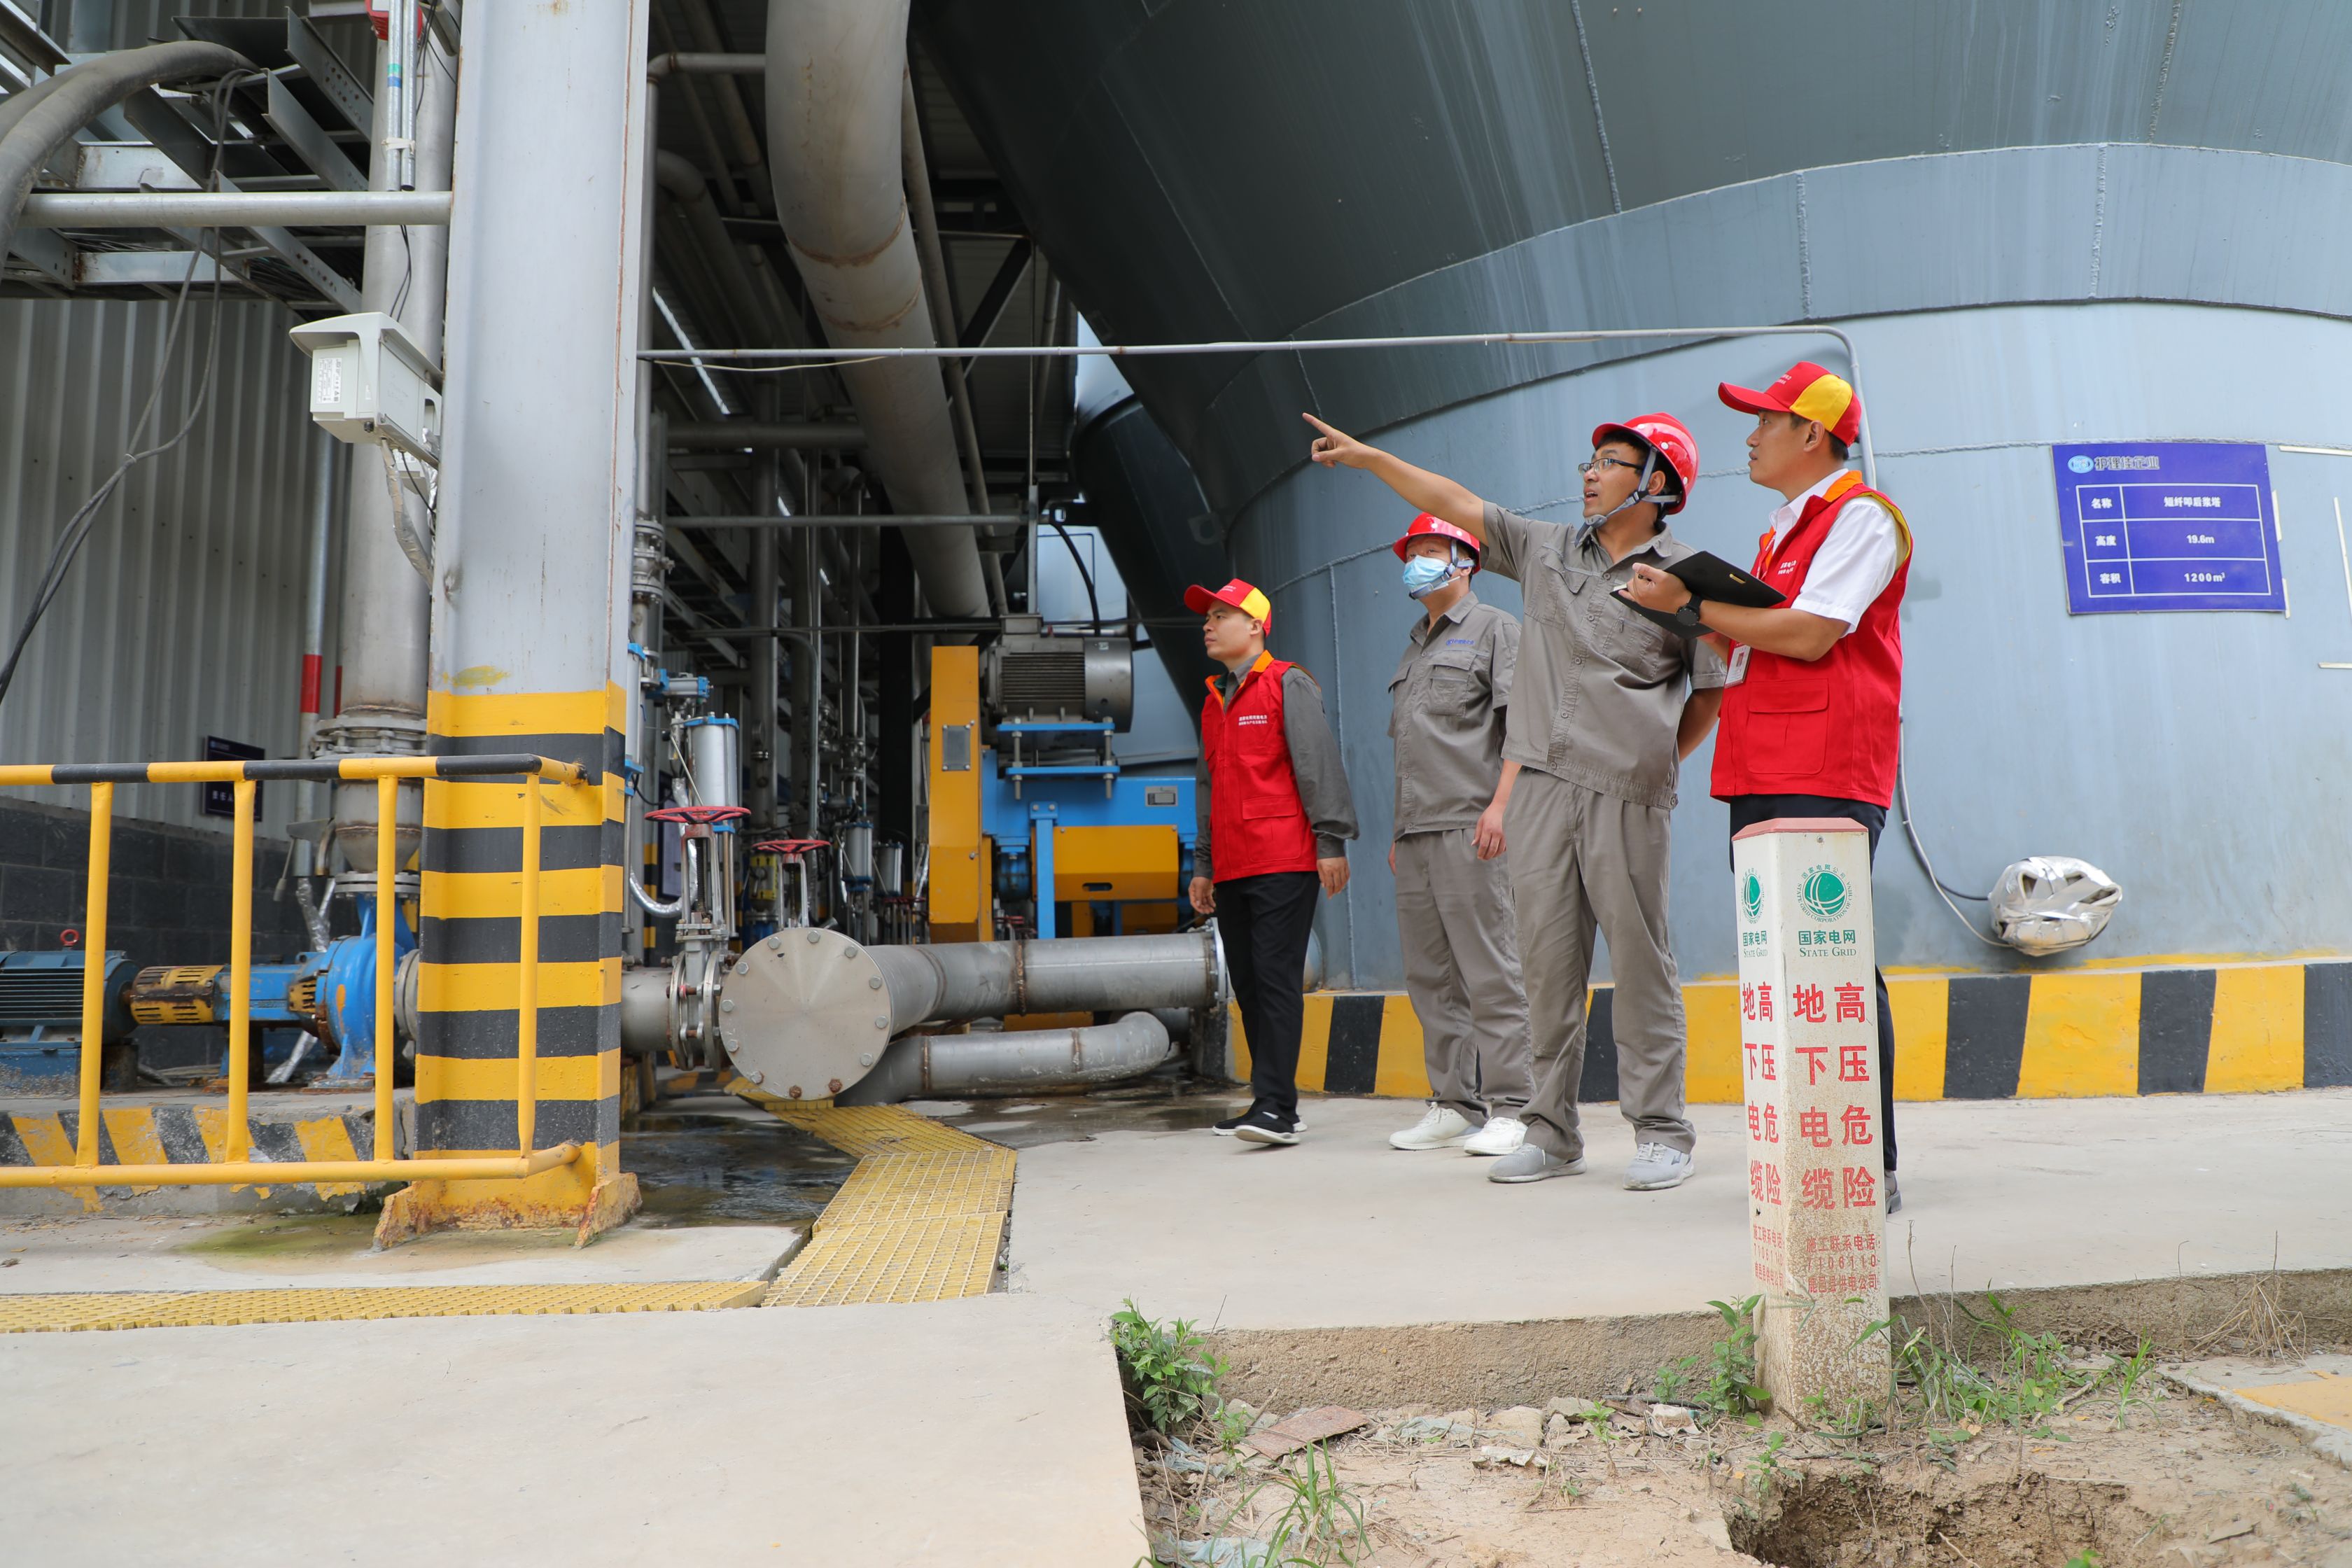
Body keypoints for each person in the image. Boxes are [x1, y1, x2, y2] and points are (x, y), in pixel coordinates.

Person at [1304, 410, 1724, 1189]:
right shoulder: (1547, 549)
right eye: (1590, 459)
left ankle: (1663, 1131)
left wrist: (1655, 758)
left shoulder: (1688, 576)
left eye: (1610, 461)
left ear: (1657, 483)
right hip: (1539, 787)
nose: (1589, 472)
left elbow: (1708, 691)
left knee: (1641, 962)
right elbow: (1457, 502)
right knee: (1546, 967)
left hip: (1625, 790)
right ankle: (1551, 1131)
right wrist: (1371, 459)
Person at [1620, 361, 1909, 1213]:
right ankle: (1813, 1148)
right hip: (1767, 767)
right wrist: (1690, 612)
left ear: (1811, 433)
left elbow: (1812, 634)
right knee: (1789, 967)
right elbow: (1759, 639)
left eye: (1765, 421)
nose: (1749, 438)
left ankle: (1869, 1160)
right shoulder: (1782, 534)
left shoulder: (1862, 516)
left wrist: (1693, 607)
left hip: (1823, 768)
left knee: (1835, 963)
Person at [1185, 577, 1358, 1147]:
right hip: (1233, 865)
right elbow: (1209, 789)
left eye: (1221, 615)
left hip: (1283, 858)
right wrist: (1204, 864)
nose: (1208, 625)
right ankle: (1272, 1100)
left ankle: (1277, 1110)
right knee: (1250, 984)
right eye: (1207, 617)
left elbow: (1318, 765)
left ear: (1256, 626)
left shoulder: (1287, 684)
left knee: (1276, 979)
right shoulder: (1214, 701)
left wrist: (1330, 843)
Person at [1382, 514, 1534, 1157]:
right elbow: (1413, 746)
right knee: (1431, 979)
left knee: (1491, 972)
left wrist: (1501, 807)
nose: (1415, 561)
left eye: (1429, 549)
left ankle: (1515, 1106)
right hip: (1417, 832)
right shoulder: (1415, 646)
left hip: (1473, 827)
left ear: (1465, 561)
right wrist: (1400, 830)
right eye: (1410, 552)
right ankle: (1454, 1104)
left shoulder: (1495, 629)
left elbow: (1523, 726)